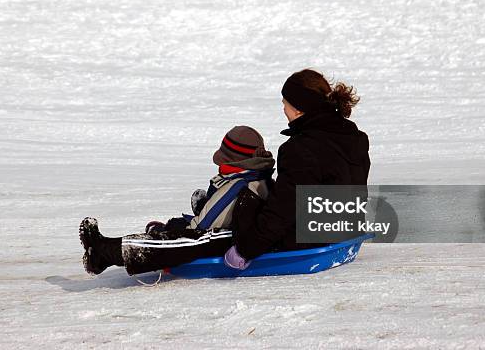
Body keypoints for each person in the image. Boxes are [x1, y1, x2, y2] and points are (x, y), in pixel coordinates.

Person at [224, 69, 370, 270]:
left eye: (285, 103)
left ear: (299, 109)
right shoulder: (356, 137)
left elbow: (283, 210)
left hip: (309, 244)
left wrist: (245, 250)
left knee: (248, 198)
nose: (283, 108)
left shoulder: (301, 149)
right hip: (347, 233)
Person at [79, 125, 275, 276]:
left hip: (225, 239)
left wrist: (169, 233)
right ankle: (167, 227)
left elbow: (201, 227)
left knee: (173, 243)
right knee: (177, 227)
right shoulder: (258, 175)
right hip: (237, 227)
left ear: (233, 161)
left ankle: (102, 253)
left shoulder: (238, 185)